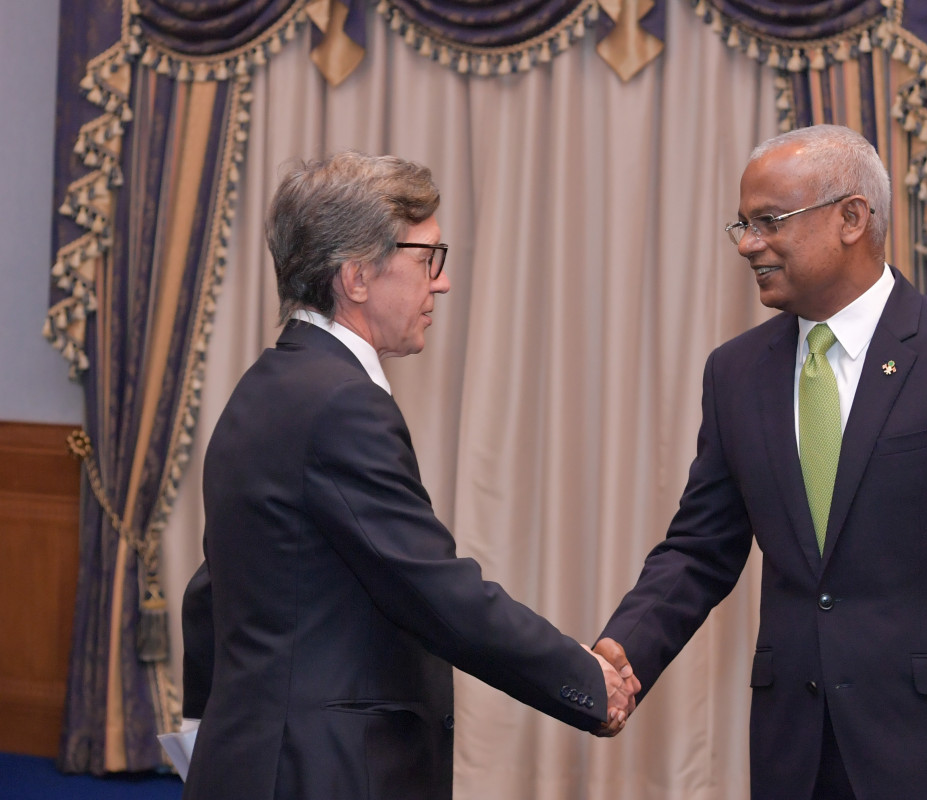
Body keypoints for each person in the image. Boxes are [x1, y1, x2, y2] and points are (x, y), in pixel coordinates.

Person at [593, 125, 927, 799]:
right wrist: (624, 649)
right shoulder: (735, 373)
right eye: (743, 223)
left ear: (853, 217)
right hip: (797, 755)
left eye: (768, 221)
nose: (748, 243)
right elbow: (701, 547)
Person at [180, 151, 638, 800]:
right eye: (427, 259)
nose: (441, 283)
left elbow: (212, 586)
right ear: (358, 276)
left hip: (262, 756)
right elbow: (433, 588)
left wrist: (207, 726)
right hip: (323, 771)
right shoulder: (340, 402)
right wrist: (586, 680)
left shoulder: (269, 384)